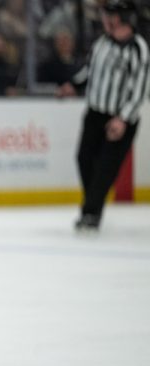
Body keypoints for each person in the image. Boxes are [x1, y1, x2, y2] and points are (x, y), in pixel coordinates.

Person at [57, 0, 149, 231]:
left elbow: (140, 89)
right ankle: (93, 205)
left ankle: (90, 212)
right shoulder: (102, 42)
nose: (106, 19)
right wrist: (73, 85)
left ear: (125, 19)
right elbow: (90, 70)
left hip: (120, 119)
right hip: (95, 113)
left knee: (106, 168)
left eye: (112, 15)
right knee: (84, 159)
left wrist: (123, 119)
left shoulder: (138, 48)